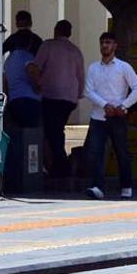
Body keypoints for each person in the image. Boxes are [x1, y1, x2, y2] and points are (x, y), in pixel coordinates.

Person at [83, 32, 137, 200]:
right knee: (95, 152)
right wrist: (105, 105)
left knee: (121, 152)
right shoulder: (93, 68)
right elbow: (88, 91)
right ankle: (98, 187)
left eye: (108, 42)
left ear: (115, 46)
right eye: (102, 42)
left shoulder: (123, 67)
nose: (105, 45)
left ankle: (126, 187)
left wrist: (123, 106)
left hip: (117, 116)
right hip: (98, 117)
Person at [30, 20, 85, 177]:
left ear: (55, 30)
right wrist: (78, 94)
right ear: (70, 33)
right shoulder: (76, 51)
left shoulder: (48, 46)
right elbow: (81, 76)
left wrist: (37, 84)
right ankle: (59, 165)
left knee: (52, 131)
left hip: (51, 94)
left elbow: (35, 67)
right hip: (69, 98)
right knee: (57, 129)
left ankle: (61, 166)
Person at [3, 44, 41, 128]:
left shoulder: (8, 60)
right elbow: (32, 70)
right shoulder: (27, 56)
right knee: (31, 131)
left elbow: (5, 81)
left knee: (17, 130)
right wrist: (38, 87)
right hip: (30, 100)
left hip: (14, 100)